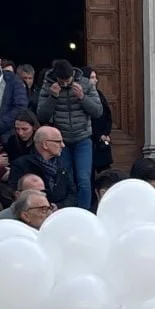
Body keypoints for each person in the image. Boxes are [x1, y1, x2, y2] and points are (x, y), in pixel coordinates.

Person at [35, 59, 102, 209]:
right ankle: (68, 212)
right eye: (62, 81)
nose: (65, 83)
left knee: (84, 179)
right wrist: (53, 97)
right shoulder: (48, 86)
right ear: (56, 77)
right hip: (60, 141)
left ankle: (84, 213)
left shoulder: (85, 84)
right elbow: (42, 115)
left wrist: (83, 97)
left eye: (68, 80)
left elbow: (98, 111)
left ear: (73, 74)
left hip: (83, 138)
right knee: (67, 178)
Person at [86, 67, 115, 174]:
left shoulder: (99, 94)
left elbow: (107, 115)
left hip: (102, 141)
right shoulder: (83, 96)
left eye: (95, 77)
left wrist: (106, 133)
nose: (96, 80)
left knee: (106, 172)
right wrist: (99, 135)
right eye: (92, 77)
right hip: (91, 140)